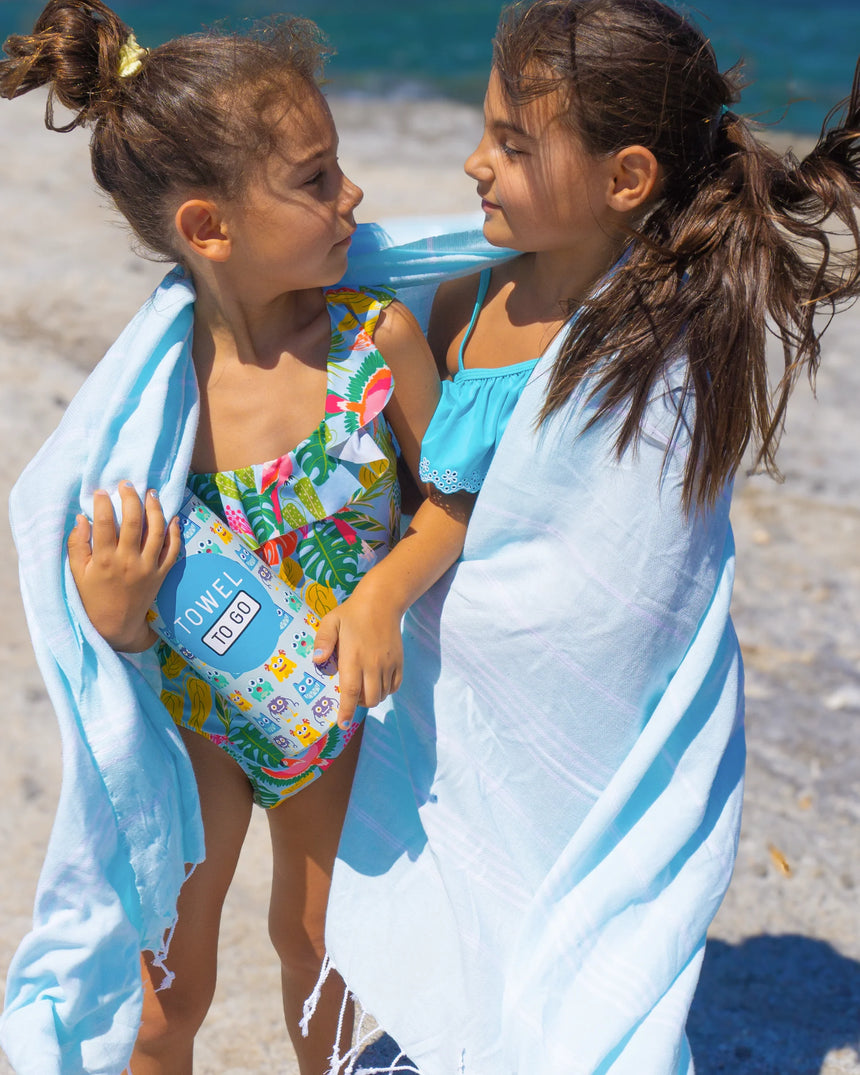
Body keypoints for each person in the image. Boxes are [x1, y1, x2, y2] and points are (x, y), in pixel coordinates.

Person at [321, 1, 860, 1072]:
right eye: (482, 130)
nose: (475, 163)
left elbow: (618, 574)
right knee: (463, 910)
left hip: (567, 715)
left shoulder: (657, 344)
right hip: (438, 690)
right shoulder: (462, 296)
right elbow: (444, 483)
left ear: (624, 179)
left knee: (564, 926)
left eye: (512, 144)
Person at [0, 3, 474, 1073]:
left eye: (338, 164)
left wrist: (386, 590)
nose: (349, 194)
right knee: (168, 977)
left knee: (320, 948)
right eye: (313, 179)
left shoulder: (375, 343)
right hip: (196, 721)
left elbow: (456, 497)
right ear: (209, 228)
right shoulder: (159, 399)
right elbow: (108, 607)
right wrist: (115, 614)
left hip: (332, 714)